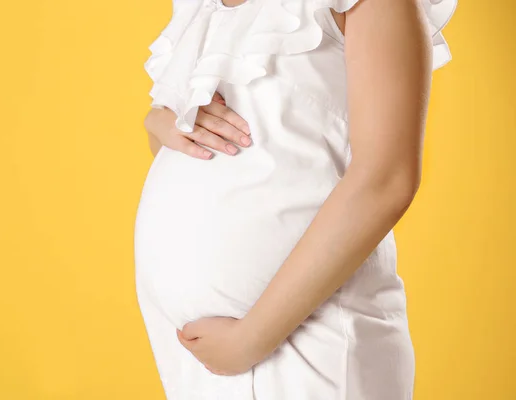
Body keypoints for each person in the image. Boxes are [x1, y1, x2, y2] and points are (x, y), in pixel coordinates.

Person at [134, 0, 457, 399]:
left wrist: (251, 339)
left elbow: (387, 178)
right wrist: (164, 122)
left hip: (307, 344)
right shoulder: (201, 9)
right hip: (201, 363)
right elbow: (201, 149)